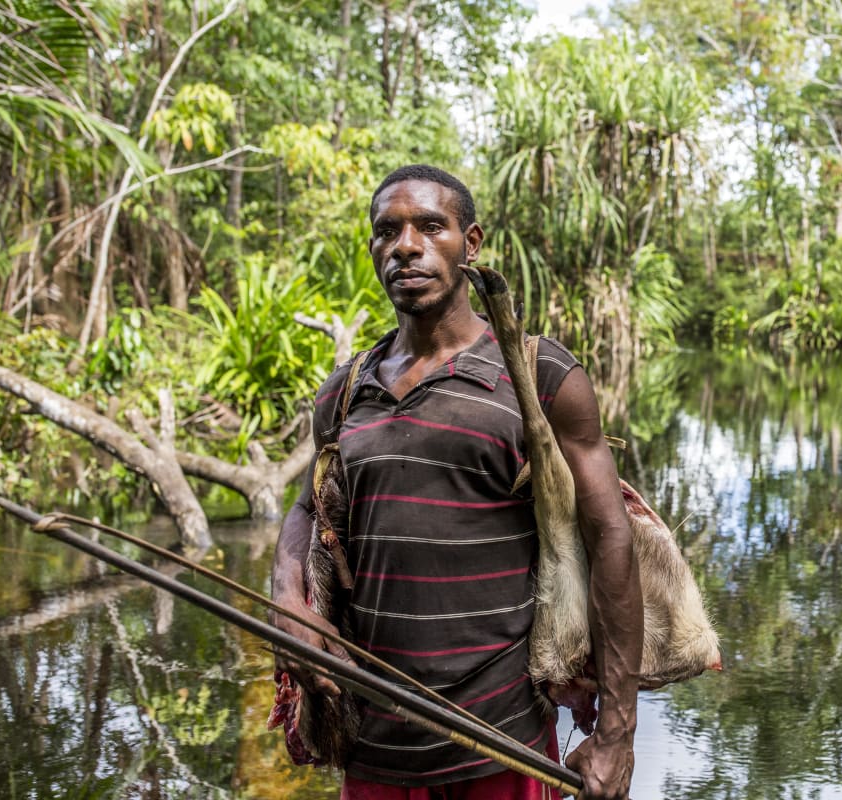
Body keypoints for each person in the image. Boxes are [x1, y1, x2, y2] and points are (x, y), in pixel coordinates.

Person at [270, 164, 642, 800]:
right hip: (374, 743)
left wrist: (616, 733)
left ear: (470, 244)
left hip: (503, 742)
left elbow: (612, 539)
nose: (406, 246)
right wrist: (287, 597)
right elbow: (309, 508)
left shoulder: (539, 376)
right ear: (373, 250)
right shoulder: (343, 390)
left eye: (430, 227)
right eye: (388, 232)